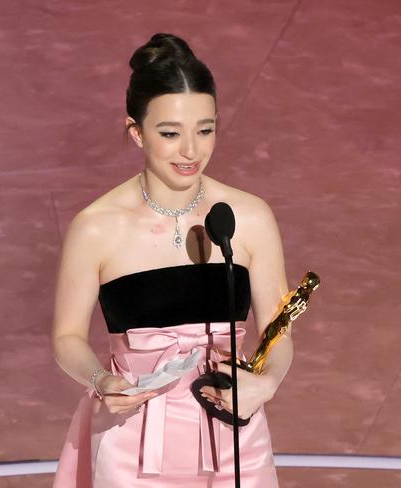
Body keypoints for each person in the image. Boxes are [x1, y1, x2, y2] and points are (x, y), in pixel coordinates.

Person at [51, 33, 294, 488]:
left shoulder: (249, 216)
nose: (191, 151)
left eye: (205, 130)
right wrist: (102, 380)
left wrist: (267, 384)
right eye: (169, 133)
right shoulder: (97, 226)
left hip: (233, 435)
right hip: (135, 442)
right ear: (135, 130)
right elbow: (67, 337)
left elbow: (278, 330)